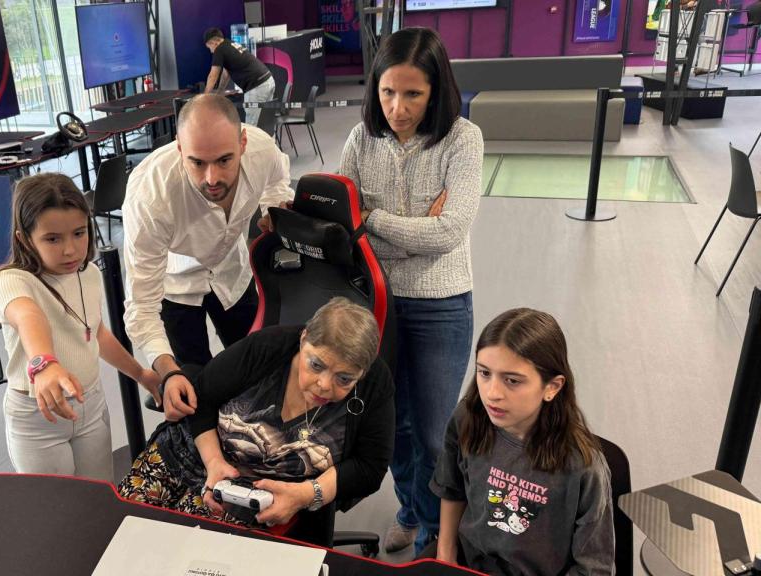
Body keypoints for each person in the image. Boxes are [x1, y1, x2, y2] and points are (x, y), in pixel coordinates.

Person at [338, 27, 483, 556]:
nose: (397, 108)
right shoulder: (360, 140)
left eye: (413, 94)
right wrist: (410, 225)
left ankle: (435, 532)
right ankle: (412, 510)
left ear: (436, 89)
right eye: (387, 92)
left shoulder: (463, 140)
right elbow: (339, 217)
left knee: (431, 431)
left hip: (441, 305)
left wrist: (373, 219)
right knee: (391, 426)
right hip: (376, 303)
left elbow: (449, 233)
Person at [117, 298, 394, 546]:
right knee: (126, 530)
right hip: (189, 453)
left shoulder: (374, 385)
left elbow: (369, 467)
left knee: (189, 551)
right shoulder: (269, 347)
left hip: (248, 492)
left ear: (362, 372)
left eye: (344, 379)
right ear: (303, 338)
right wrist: (214, 462)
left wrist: (305, 494)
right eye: (316, 365)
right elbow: (202, 396)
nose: (324, 385)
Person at [122, 94, 293, 421]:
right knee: (194, 390)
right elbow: (142, 306)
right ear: (179, 148)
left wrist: (274, 208)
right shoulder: (150, 198)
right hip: (176, 287)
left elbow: (278, 179)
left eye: (224, 160)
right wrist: (168, 371)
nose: (212, 178)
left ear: (243, 143)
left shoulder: (262, 150)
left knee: (257, 369)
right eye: (197, 162)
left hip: (233, 272)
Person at [0, 173, 162, 479]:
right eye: (52, 239)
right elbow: (28, 316)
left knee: (98, 496)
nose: (70, 249)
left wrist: (141, 374)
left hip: (90, 403)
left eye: (79, 233)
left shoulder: (89, 273)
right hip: (38, 415)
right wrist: (44, 364)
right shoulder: (11, 280)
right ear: (24, 238)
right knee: (57, 509)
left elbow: (95, 333)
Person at [428, 308, 614, 574]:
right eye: (484, 373)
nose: (492, 393)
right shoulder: (467, 417)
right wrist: (445, 555)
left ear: (552, 387)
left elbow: (594, 567)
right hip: (469, 564)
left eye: (512, 381)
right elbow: (451, 488)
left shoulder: (583, 465)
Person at [203, 27, 276, 126]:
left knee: (252, 127)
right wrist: (220, 92)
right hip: (268, 80)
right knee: (266, 123)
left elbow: (213, 75)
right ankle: (269, 141)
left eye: (209, 48)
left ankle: (253, 141)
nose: (211, 51)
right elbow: (225, 74)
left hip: (256, 86)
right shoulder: (230, 44)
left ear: (213, 43)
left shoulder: (219, 50)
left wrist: (205, 97)